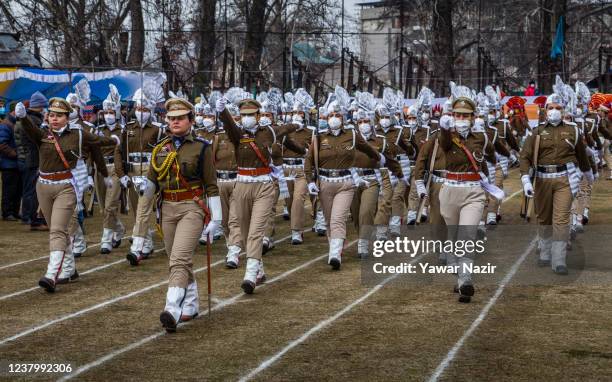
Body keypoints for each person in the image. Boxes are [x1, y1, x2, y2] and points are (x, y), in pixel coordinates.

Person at [15, 98, 115, 292]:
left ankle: (52, 274)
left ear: (67, 117)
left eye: (59, 115)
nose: (54, 119)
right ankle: (69, 269)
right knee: (57, 229)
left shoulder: (77, 134)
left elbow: (97, 142)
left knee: (58, 230)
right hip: (43, 186)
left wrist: (114, 140)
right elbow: (29, 129)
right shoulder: (42, 133)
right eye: (51, 115)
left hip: (65, 186)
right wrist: (23, 117)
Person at [144, 97, 220, 332]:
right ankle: (190, 302)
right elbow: (151, 181)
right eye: (171, 118)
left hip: (192, 207)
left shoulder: (202, 147)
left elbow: (211, 185)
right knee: (175, 259)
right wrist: (143, 196)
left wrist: (216, 218)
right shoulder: (160, 148)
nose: (175, 122)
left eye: (180, 118)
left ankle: (172, 308)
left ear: (191, 120)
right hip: (166, 207)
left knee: (179, 258)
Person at [216, 96, 298, 294]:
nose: (246, 118)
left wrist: (296, 123)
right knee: (243, 231)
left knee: (256, 231)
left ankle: (250, 274)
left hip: (264, 185)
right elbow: (228, 125)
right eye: (243, 115)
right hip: (242, 184)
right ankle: (260, 271)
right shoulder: (237, 134)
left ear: (259, 115)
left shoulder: (268, 131)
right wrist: (222, 111)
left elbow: (284, 129)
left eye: (250, 115)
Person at [304, 88, 386, 270]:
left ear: (343, 118)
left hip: (345, 184)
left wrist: (379, 158)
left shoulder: (352, 135)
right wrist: (310, 181)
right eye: (331, 115)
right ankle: (335, 247)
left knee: (338, 219)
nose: (334, 118)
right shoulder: (318, 137)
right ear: (326, 117)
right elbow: (309, 160)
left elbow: (367, 149)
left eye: (337, 115)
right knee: (327, 220)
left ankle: (335, 254)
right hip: (324, 183)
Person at [519, 78, 592, 276]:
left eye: (558, 107)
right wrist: (526, 179)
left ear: (563, 109)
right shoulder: (537, 132)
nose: (554, 110)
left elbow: (581, 155)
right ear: (545, 109)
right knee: (544, 217)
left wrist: (588, 174)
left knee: (561, 219)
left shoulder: (573, 130)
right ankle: (544, 250)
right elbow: (524, 157)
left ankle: (558, 260)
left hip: (565, 179)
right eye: (551, 107)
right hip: (542, 179)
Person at [437, 92, 496, 303]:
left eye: (465, 115)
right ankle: (459, 274)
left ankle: (465, 281)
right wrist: (445, 127)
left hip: (473, 191)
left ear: (473, 117)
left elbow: (490, 155)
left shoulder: (481, 137)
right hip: (450, 190)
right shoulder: (447, 136)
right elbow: (443, 143)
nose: (461, 119)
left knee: (467, 236)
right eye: (457, 115)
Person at [115, 84, 165, 266]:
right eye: (137, 108)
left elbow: (164, 153)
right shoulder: (128, 128)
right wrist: (121, 174)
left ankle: (136, 248)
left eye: (144, 109)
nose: (140, 112)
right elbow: (119, 151)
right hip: (132, 171)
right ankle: (147, 243)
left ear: (151, 110)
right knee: (137, 211)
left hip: (150, 173)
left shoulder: (158, 129)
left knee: (143, 210)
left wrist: (155, 175)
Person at [97, 85, 126, 254]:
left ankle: (106, 239)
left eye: (111, 112)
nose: (108, 115)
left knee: (111, 205)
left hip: (115, 169)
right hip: (100, 169)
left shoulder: (123, 130)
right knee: (103, 207)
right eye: (105, 112)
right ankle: (119, 228)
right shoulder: (98, 130)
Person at [14, 93, 48, 230]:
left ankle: (28, 216)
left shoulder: (30, 119)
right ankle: (31, 218)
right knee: (32, 190)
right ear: (39, 106)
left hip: (28, 158)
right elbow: (40, 138)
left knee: (29, 189)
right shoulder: (34, 121)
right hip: (33, 159)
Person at [0, 106, 21, 221]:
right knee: (9, 190)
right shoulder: (5, 125)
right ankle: (7, 212)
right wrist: (15, 154)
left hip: (15, 163)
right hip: (8, 164)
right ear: (13, 111)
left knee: (17, 189)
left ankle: (15, 211)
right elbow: (2, 144)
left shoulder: (14, 123)